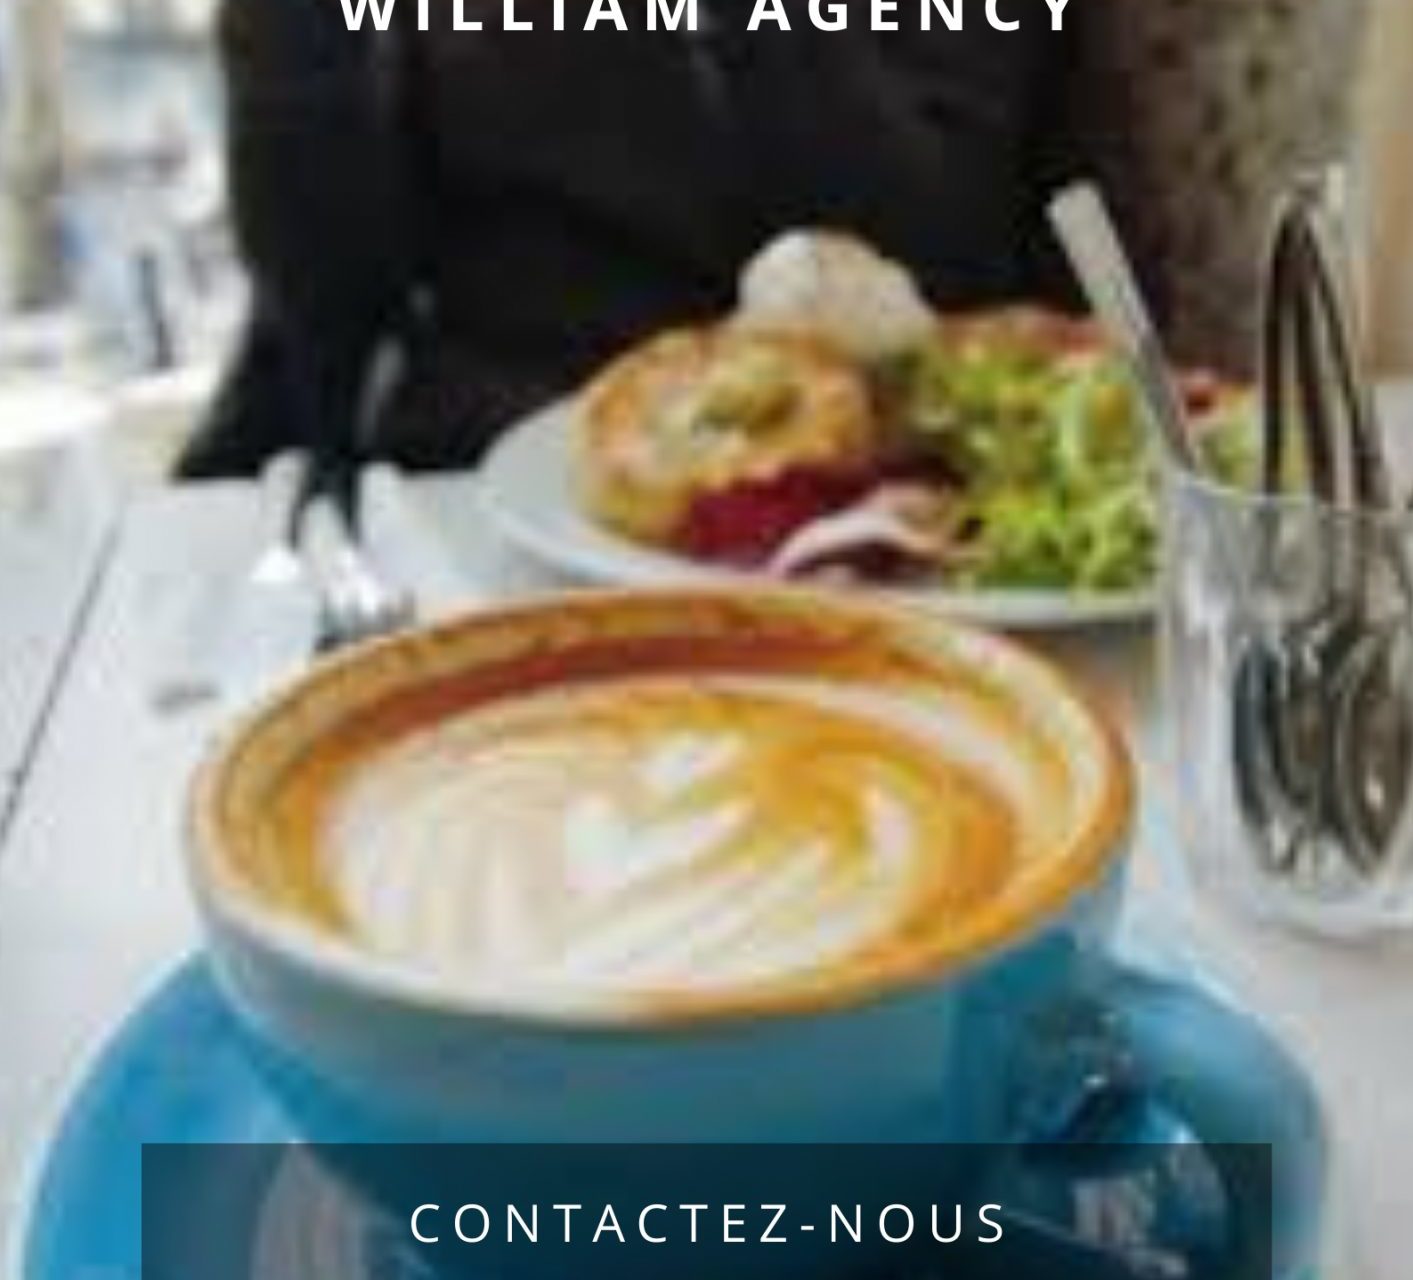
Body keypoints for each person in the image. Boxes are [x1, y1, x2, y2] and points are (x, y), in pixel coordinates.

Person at [179, 0, 1071, 477]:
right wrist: (291, 43)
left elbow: (944, 266)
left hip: (825, 502)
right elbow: (332, 298)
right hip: (472, 481)